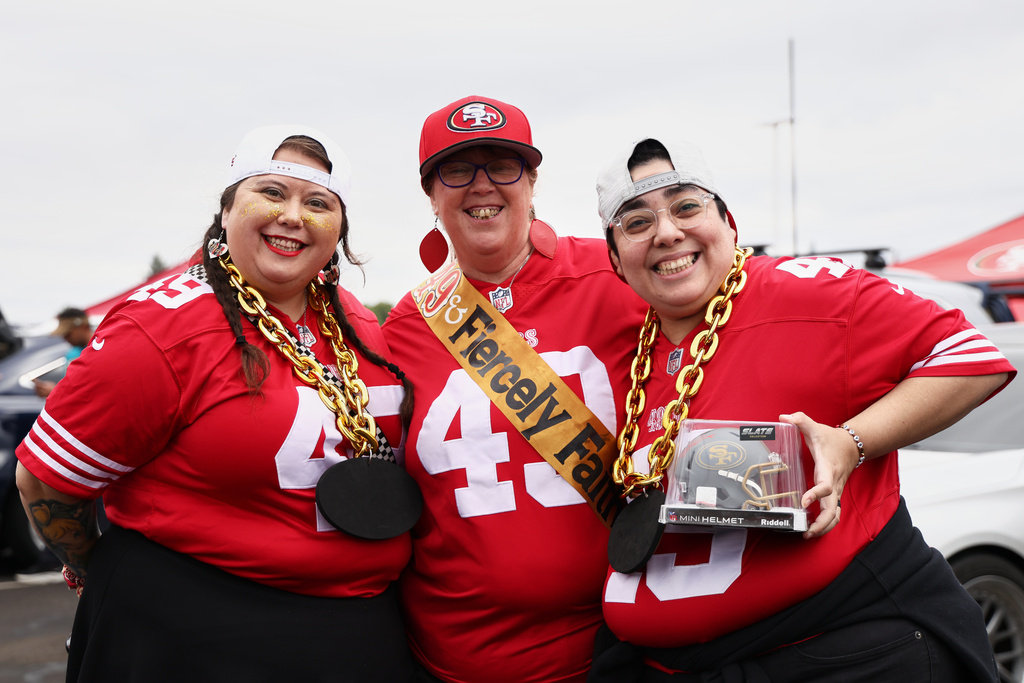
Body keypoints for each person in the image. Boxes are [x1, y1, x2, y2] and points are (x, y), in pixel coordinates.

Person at [588, 136, 1017, 682]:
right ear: (614, 257)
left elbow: (970, 356)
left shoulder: (808, 293)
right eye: (637, 222)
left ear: (728, 221)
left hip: (830, 647)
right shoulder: (630, 346)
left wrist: (851, 442)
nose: (667, 231)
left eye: (687, 206)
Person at [15, 125, 419, 682]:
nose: (294, 216)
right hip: (193, 634)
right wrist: (96, 569)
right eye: (272, 192)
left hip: (355, 627)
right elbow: (44, 482)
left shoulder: (360, 322)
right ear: (227, 210)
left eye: (318, 202)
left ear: (340, 228)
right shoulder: (159, 327)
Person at [381, 96, 647, 682]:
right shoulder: (404, 327)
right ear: (431, 194)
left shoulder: (621, 277)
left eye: (502, 166)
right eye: (456, 170)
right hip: (450, 659)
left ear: (532, 181)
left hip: (617, 653)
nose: (482, 186)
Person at [33, 307, 93, 398]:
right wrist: (55, 390)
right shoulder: (71, 354)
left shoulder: (101, 352)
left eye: (68, 333)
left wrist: (55, 391)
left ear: (84, 327)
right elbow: (69, 386)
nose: (65, 338)